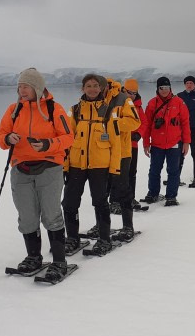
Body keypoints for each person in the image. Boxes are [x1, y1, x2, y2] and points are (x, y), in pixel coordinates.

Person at [0, 68, 74, 281]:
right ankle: (34, 257)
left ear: (37, 88)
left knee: (51, 214)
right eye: (20, 86)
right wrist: (7, 139)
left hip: (49, 168)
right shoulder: (13, 110)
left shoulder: (54, 109)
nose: (22, 90)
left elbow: (68, 137)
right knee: (27, 216)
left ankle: (59, 261)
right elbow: (1, 135)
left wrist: (48, 145)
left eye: (26, 86)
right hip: (21, 169)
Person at [60, 74, 125, 256]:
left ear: (101, 88)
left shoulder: (109, 112)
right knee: (70, 203)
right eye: (88, 86)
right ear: (83, 88)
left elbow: (115, 143)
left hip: (100, 166)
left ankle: (104, 239)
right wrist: (65, 166)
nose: (92, 89)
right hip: (76, 165)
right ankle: (72, 237)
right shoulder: (74, 111)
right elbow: (66, 141)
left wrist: (115, 169)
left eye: (96, 86)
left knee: (100, 202)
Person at [142, 77, 191, 206]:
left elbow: (185, 123)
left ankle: (171, 196)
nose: (164, 90)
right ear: (157, 89)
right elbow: (146, 125)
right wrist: (146, 143)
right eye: (161, 88)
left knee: (173, 171)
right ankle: (153, 193)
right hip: (157, 144)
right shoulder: (152, 104)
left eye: (167, 88)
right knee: (154, 170)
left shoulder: (179, 102)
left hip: (174, 143)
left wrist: (186, 142)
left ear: (170, 88)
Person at [104, 77, 141, 243]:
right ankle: (102, 225)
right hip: (100, 153)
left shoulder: (123, 99)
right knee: (101, 191)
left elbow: (134, 121)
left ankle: (128, 226)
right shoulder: (93, 100)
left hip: (122, 152)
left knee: (123, 188)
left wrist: (113, 124)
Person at [122, 79, 147, 210]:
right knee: (118, 173)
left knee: (132, 172)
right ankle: (115, 200)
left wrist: (139, 134)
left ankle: (130, 198)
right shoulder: (117, 103)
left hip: (132, 145)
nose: (131, 95)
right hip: (119, 145)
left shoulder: (138, 106)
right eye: (129, 92)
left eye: (134, 92)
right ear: (124, 90)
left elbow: (144, 122)